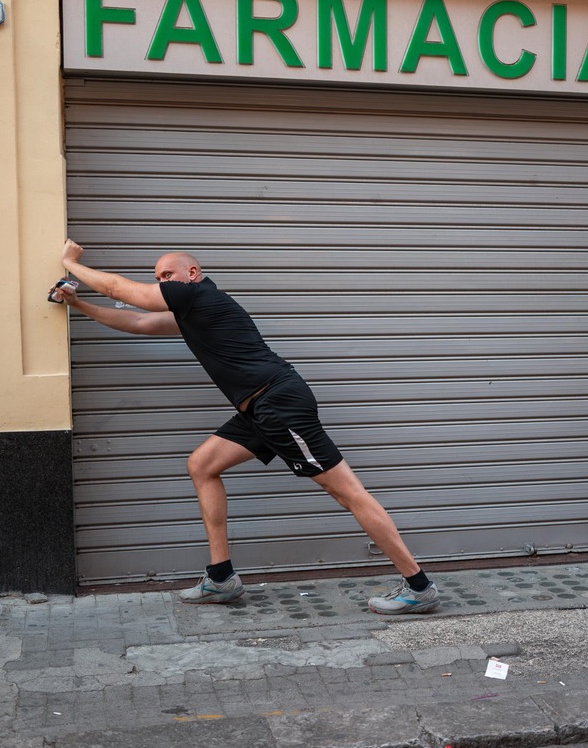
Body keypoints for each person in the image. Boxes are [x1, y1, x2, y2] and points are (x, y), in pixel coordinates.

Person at [52, 239, 440, 615]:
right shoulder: (194, 311)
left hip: (278, 402)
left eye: (167, 274)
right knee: (202, 465)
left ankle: (419, 587)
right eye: (158, 276)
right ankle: (221, 578)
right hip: (259, 408)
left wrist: (71, 264)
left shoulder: (198, 294)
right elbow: (136, 320)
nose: (163, 281)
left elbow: (126, 292)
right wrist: (78, 302)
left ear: (193, 272)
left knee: (348, 492)